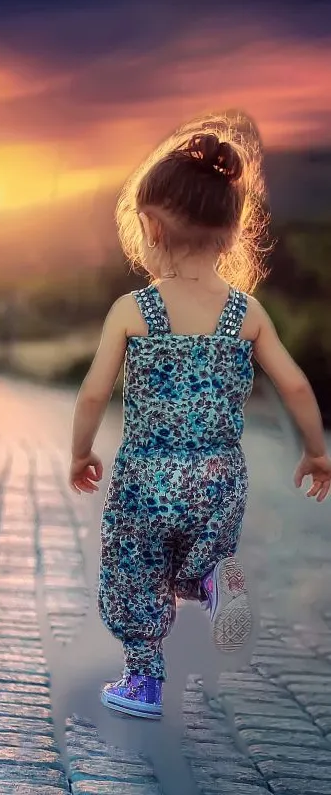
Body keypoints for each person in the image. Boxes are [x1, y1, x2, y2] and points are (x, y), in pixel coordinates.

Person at [69, 113, 331, 721]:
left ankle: (144, 683)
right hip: (218, 478)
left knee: (136, 572)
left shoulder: (134, 310)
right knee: (196, 560)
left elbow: (91, 394)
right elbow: (293, 383)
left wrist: (81, 453)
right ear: (232, 233)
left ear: (150, 228)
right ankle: (214, 578)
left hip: (147, 479)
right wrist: (316, 452)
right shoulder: (247, 313)